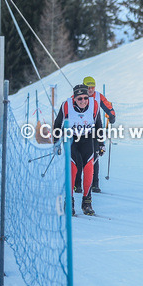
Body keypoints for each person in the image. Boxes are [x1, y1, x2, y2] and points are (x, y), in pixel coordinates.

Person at [53, 84, 103, 216]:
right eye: (79, 98)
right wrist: (56, 142)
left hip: (87, 139)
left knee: (88, 171)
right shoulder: (66, 105)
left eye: (85, 97)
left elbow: (98, 124)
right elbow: (58, 123)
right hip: (72, 139)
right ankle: (69, 202)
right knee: (73, 170)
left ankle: (87, 203)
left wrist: (101, 143)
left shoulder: (94, 105)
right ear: (74, 98)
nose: (83, 101)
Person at [81, 76, 115, 194]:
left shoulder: (98, 96)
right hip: (81, 131)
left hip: (95, 130)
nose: (90, 90)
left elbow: (107, 105)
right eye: (88, 87)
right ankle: (77, 183)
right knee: (80, 158)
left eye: (92, 87)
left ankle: (95, 184)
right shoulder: (78, 96)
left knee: (94, 157)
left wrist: (111, 114)